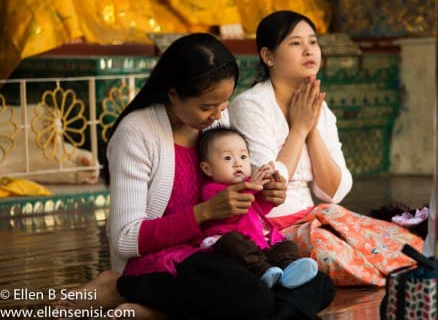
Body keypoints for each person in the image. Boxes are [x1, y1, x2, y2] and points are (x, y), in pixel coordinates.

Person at [58, 33, 335, 319]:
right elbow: (125, 239)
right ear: (173, 93)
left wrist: (262, 195)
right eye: (206, 107)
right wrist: (203, 213)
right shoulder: (136, 133)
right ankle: (120, 286)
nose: (217, 116)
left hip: (222, 253)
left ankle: (158, 310)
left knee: (320, 285)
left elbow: (232, 196)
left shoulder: (216, 123)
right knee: (250, 296)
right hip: (167, 262)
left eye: (224, 104)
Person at [229, 10, 425, 286]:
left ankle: (394, 272)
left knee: (404, 240)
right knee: (329, 248)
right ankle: (385, 275)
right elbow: (270, 188)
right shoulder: (250, 106)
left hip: (314, 218)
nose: (308, 50)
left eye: (313, 42)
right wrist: (298, 129)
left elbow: (333, 191)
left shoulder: (318, 110)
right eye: (295, 43)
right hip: (271, 228)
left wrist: (311, 128)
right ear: (268, 56)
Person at [197, 127, 318, 289]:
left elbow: (261, 208)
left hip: (261, 243)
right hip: (234, 245)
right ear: (207, 169)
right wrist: (253, 186)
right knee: (234, 243)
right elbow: (231, 214)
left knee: (287, 246)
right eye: (227, 158)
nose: (237, 163)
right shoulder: (212, 190)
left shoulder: (247, 183)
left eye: (243, 156)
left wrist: (271, 184)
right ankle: (263, 272)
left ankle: (290, 270)